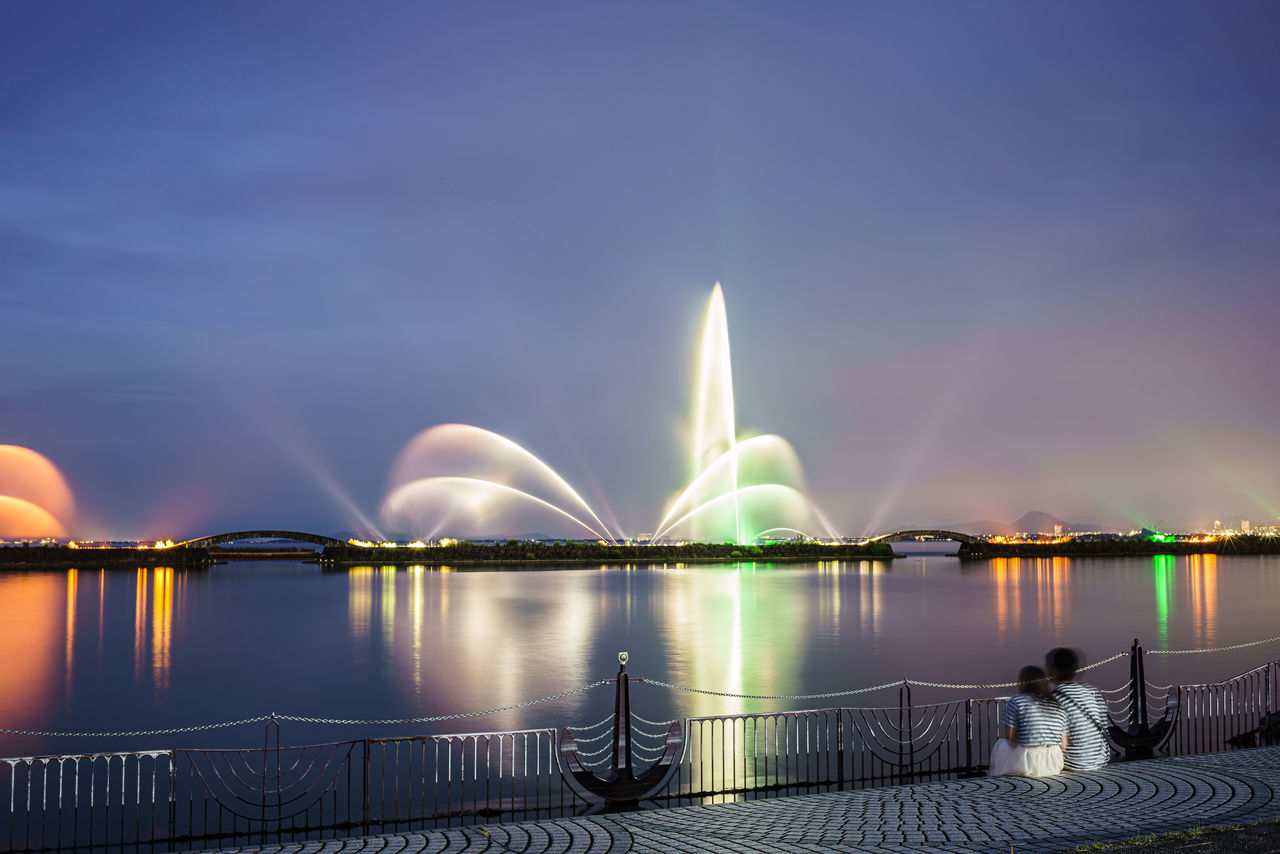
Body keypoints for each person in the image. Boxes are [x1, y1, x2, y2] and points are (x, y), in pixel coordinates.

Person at [988, 665, 1067, 776]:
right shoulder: (1057, 704)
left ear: (1023, 683)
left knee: (1001, 744)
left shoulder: (1017, 701)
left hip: (1027, 763)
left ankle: (1000, 779)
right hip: (1053, 762)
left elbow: (1010, 738)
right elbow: (1063, 745)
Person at [1046, 646, 1112, 771]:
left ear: (1054, 671)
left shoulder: (1054, 698)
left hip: (1073, 762)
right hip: (1100, 758)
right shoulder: (1093, 692)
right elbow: (1105, 727)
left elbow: (1058, 741)